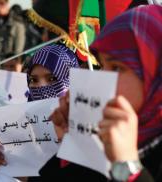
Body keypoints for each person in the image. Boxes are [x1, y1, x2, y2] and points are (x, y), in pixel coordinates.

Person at [51, 4, 162, 182]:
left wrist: (126, 165)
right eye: (102, 66)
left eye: (117, 68)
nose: (102, 80)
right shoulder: (106, 129)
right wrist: (71, 143)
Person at [0, 43, 80, 181]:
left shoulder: (86, 131)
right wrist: (4, 161)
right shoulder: (21, 126)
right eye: (33, 80)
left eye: (52, 79)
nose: (41, 87)